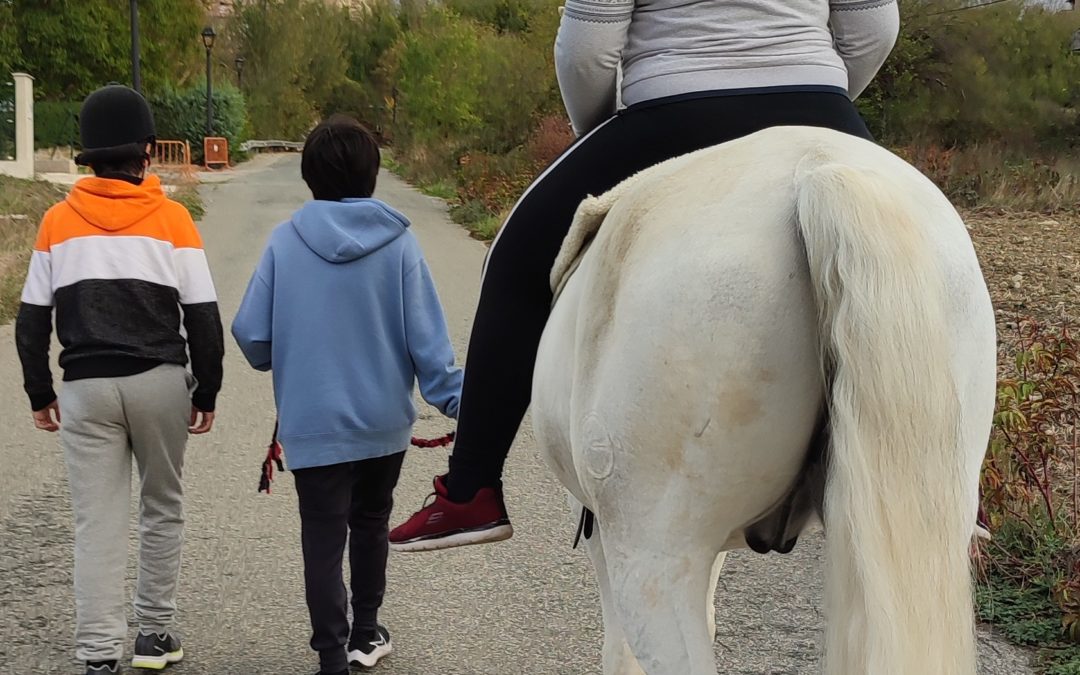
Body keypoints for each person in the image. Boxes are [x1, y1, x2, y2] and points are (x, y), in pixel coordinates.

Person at [389, 0, 900, 551]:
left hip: (675, 110)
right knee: (911, 256)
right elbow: (872, 27)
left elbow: (587, 50)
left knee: (514, 257)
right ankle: (943, 477)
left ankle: (471, 488)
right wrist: (815, 95)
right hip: (817, 105)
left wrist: (602, 134)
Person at [231, 114, 463, 675]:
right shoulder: (400, 246)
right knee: (370, 522)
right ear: (373, 175)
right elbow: (430, 348)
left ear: (309, 176)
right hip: (383, 424)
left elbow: (251, 336)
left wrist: (282, 352)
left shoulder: (285, 242)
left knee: (322, 535)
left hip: (312, 424)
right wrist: (465, 403)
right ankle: (365, 631)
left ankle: (331, 656)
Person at [15, 85, 224, 674]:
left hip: (85, 388)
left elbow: (31, 321)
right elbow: (202, 316)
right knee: (162, 506)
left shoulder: (57, 222)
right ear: (148, 153)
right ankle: (154, 636)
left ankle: (98, 655)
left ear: (88, 156)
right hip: (159, 381)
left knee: (97, 521)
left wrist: (40, 392)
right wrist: (206, 390)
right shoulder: (174, 219)